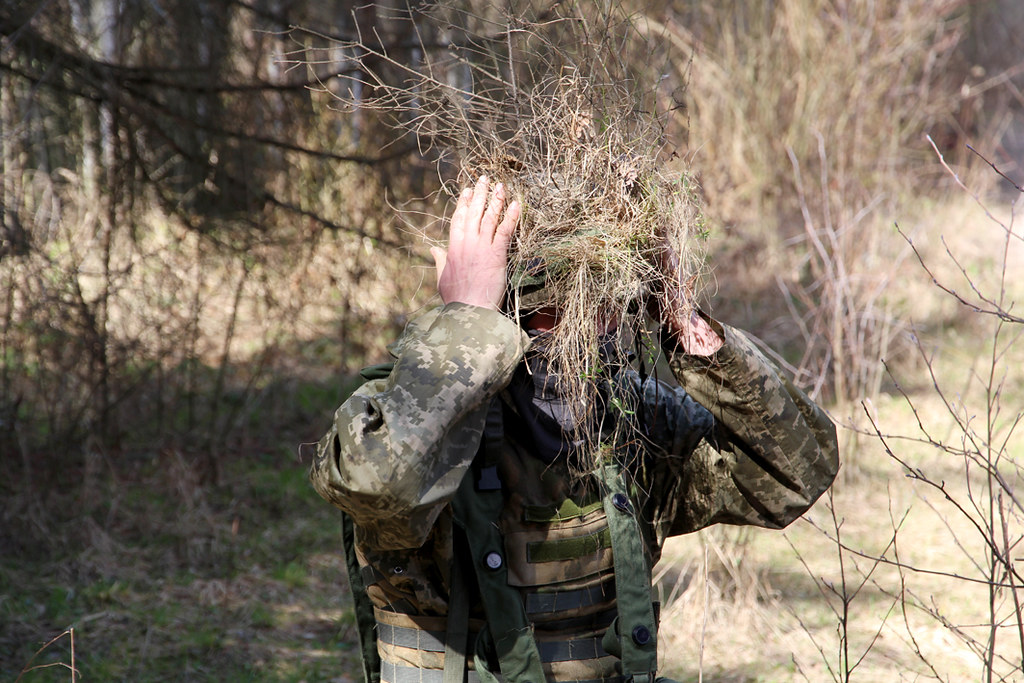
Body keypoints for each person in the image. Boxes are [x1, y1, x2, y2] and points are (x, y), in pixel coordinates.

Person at [310, 176, 839, 683]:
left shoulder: (637, 426)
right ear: (505, 310)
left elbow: (796, 474)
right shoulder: (408, 419)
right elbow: (374, 487)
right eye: (546, 310)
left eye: (595, 306)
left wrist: (689, 330)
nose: (574, 332)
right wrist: (463, 324)